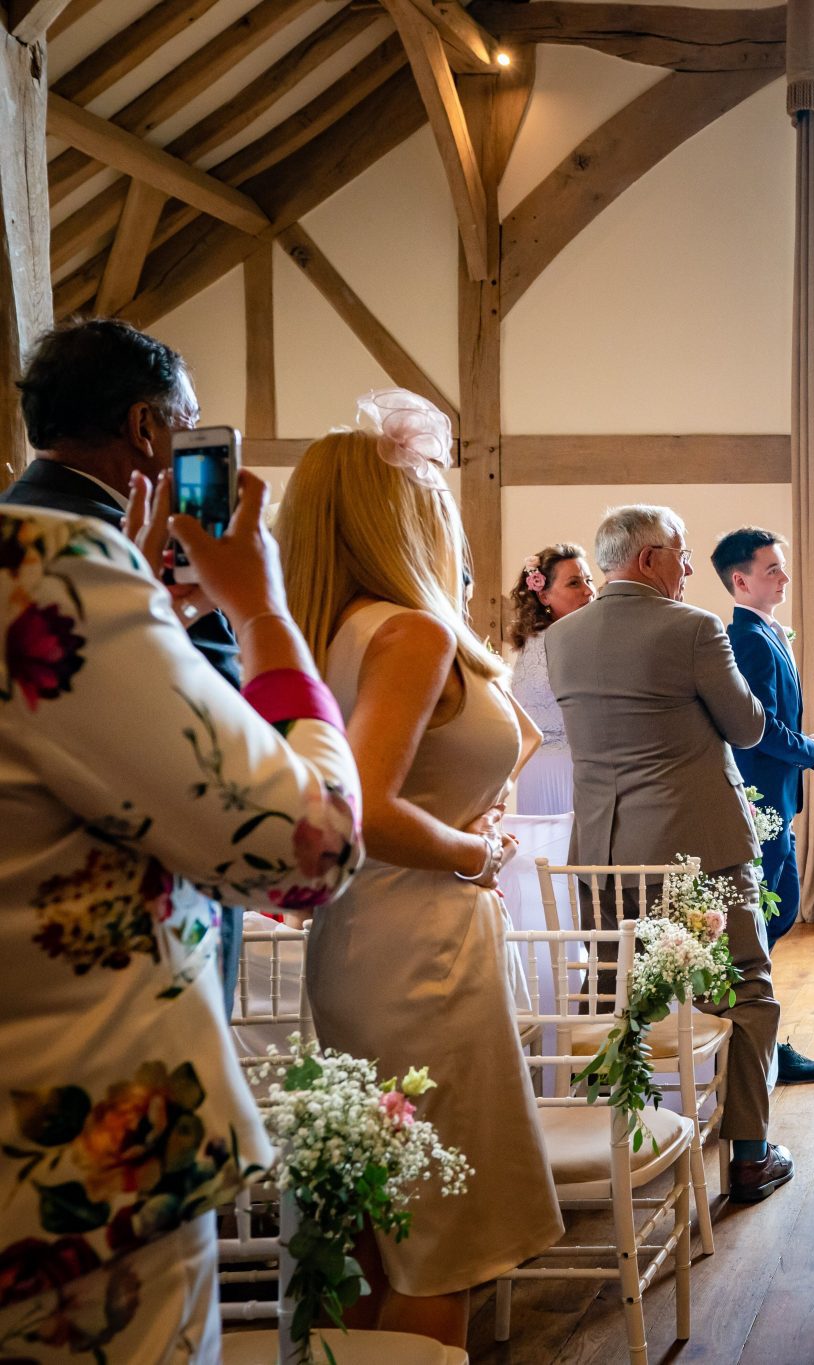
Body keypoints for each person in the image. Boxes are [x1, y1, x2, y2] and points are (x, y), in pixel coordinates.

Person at [0, 473, 360, 1362]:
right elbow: (313, 848)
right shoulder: (39, 571)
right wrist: (263, 613)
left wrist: (142, 624)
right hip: (70, 1211)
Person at [278, 392, 563, 1343]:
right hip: (423, 950)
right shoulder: (410, 632)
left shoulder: (331, 632)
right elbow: (361, 804)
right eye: (435, 490)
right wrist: (474, 848)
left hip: (361, 941)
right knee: (445, 1235)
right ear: (403, 513)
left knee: (375, 1223)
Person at [548, 505, 792, 1204]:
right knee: (745, 988)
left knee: (611, 989)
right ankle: (748, 1153)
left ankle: (605, 1148)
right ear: (650, 558)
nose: (690, 569)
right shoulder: (694, 629)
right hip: (700, 852)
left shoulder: (563, 638)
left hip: (602, 852)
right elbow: (747, 728)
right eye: (682, 556)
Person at [2, 318, 250, 995]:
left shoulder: (14, 527)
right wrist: (257, 607)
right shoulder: (121, 551)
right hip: (141, 927)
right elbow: (218, 730)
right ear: (144, 426)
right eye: (188, 423)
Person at [712, 525, 814, 1085]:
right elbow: (757, 729)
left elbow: (775, 721)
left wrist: (808, 741)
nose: (785, 577)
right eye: (772, 570)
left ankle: (754, 1040)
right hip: (758, 803)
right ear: (740, 582)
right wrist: (810, 750)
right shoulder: (744, 638)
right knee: (762, 924)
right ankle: (747, 1044)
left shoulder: (767, 633)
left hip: (777, 799)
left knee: (777, 914)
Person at [505, 543, 596, 815]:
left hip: (536, 771)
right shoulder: (570, 642)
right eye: (574, 583)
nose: (589, 591)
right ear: (544, 595)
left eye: (589, 580)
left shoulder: (528, 641)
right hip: (570, 769)